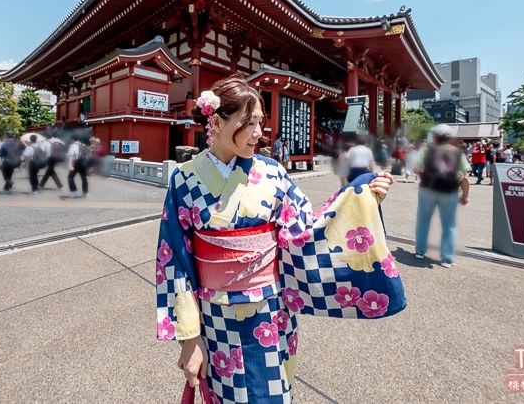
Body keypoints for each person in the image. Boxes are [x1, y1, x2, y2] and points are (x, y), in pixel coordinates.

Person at [155, 75, 403, 403]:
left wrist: (361, 201)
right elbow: (173, 261)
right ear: (217, 119)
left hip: (272, 315)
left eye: (260, 122)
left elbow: (307, 232)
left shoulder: (273, 173)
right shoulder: (184, 179)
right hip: (216, 319)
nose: (259, 133)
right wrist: (189, 336)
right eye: (249, 123)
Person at [413, 124, 470, 268]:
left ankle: (420, 252)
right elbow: (465, 176)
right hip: (449, 191)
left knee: (423, 221)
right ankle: (447, 259)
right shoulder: (458, 153)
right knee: (449, 225)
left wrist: (424, 177)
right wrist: (465, 195)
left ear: (435, 136)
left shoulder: (427, 149)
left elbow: (416, 168)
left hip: (428, 189)